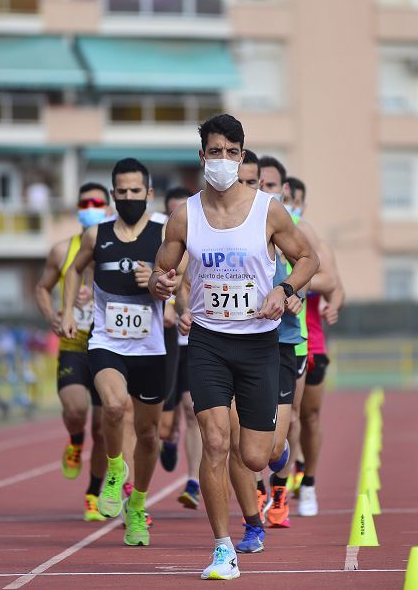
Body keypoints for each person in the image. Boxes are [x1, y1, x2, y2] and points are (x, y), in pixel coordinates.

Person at [148, 114, 319, 580]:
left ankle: (279, 456)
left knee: (256, 456)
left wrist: (284, 292)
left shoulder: (269, 210)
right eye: (214, 151)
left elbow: (307, 258)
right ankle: (223, 548)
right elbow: (163, 272)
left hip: (260, 344)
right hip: (207, 342)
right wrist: (160, 286)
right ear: (201, 156)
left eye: (231, 152)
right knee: (216, 441)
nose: (222, 160)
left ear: (241, 156)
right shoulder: (186, 215)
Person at [60, 158, 169, 547]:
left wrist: (157, 280)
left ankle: (137, 505)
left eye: (135, 192)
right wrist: (71, 310)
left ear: (149, 194)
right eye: (121, 192)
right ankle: (113, 468)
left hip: (151, 346)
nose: (128, 198)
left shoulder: (164, 232)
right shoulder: (98, 235)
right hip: (107, 341)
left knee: (149, 434)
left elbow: (181, 277)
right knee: (113, 406)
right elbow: (74, 270)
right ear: (112, 195)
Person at [34, 183, 110, 522]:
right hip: (73, 346)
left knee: (104, 429)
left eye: (98, 202)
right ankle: (74, 438)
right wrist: (54, 315)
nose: (91, 206)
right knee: (77, 410)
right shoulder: (61, 250)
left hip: (107, 345)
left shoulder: (114, 247)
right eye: (85, 202)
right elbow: (41, 288)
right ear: (77, 208)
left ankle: (93, 493)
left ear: (108, 208)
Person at [284, 176, 345, 517]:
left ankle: (307, 482)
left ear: (303, 205)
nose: (290, 204)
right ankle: (279, 482)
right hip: (273, 338)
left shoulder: (313, 240)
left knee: (308, 415)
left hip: (312, 342)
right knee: (284, 418)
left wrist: (328, 301)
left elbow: (335, 283)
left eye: (295, 200)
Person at [157, 186, 204, 510]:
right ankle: (168, 438)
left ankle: (192, 482)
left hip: (194, 342)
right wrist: (165, 310)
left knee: (193, 410)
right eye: (173, 212)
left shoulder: (202, 248)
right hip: (162, 343)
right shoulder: (162, 252)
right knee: (164, 421)